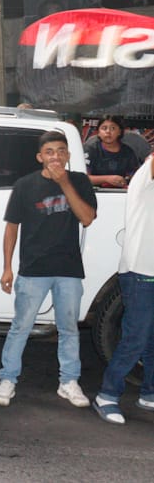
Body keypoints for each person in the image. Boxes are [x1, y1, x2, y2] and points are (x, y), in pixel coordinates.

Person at [0, 131, 96, 409]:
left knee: (68, 328)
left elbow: (87, 218)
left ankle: (69, 381)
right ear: (40, 157)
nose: (56, 156)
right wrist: (7, 268)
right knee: (21, 326)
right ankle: (8, 379)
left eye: (61, 151)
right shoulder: (25, 185)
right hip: (33, 269)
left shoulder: (79, 181)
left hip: (68, 268)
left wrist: (64, 183)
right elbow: (11, 228)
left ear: (68, 155)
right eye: (49, 152)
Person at [93, 155, 154, 425]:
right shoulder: (146, 176)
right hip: (141, 271)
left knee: (149, 338)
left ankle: (149, 393)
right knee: (135, 338)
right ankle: (107, 395)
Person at [84, 116, 140, 188]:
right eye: (104, 128)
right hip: (94, 192)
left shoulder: (128, 152)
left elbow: (136, 177)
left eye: (113, 128)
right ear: (98, 132)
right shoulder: (90, 149)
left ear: (119, 132)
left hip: (121, 192)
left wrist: (126, 180)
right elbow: (83, 178)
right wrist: (107, 179)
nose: (108, 132)